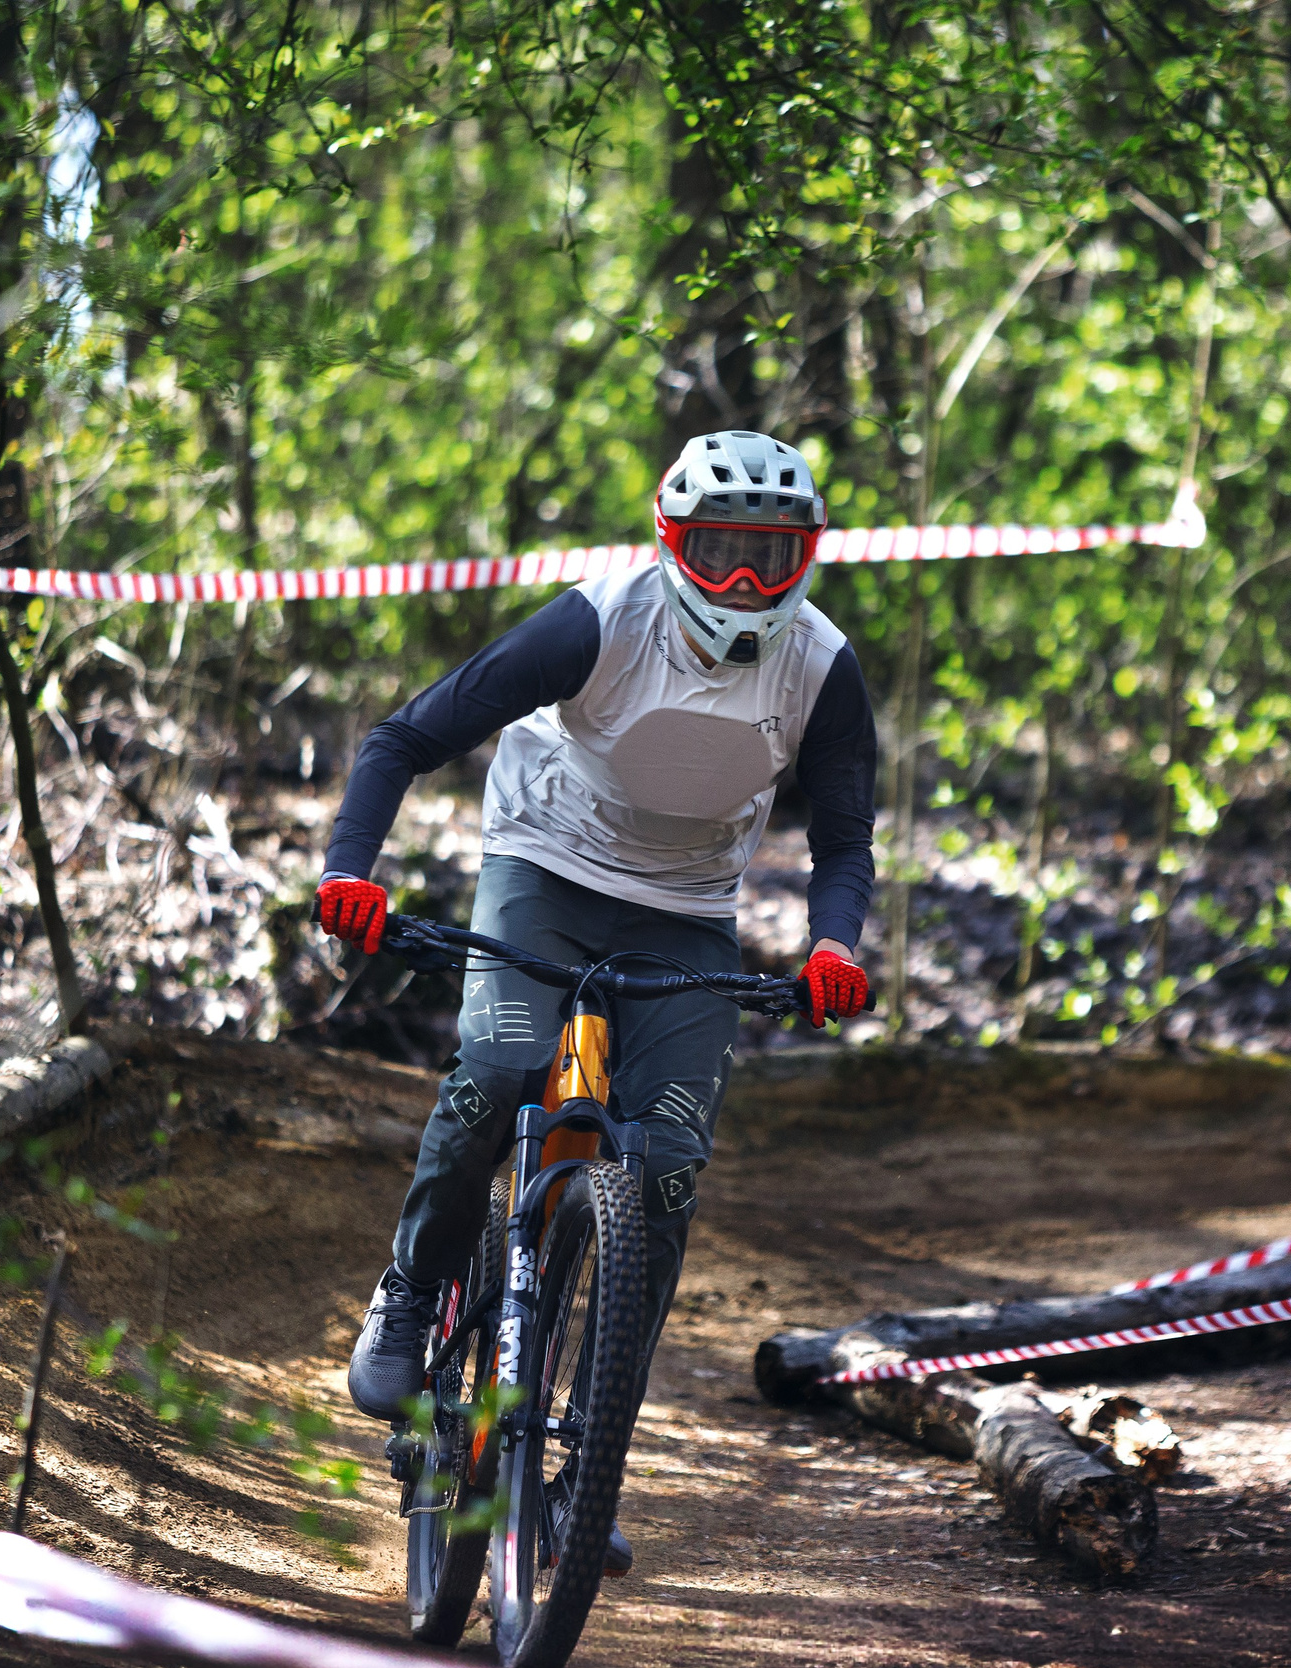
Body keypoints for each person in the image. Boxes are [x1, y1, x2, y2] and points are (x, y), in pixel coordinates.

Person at [315, 431, 877, 1568]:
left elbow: (846, 835)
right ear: (671, 541)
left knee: (664, 1171)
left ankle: (589, 1465)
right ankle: (410, 1292)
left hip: (686, 910)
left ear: (807, 557)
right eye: (718, 552)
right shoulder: (600, 620)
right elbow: (403, 737)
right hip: (545, 866)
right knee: (497, 1072)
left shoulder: (820, 665)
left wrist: (832, 943)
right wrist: (347, 872)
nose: (744, 582)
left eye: (771, 556)